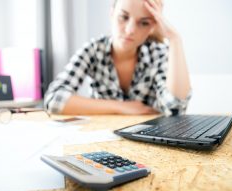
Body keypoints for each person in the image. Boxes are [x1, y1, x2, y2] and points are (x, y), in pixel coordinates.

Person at [44, 0, 191, 116]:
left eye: (144, 22)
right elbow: (54, 99)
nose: (130, 30)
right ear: (112, 13)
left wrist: (174, 39)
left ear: (153, 26)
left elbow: (176, 109)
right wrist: (122, 107)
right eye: (123, 17)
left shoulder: (158, 53)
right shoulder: (94, 50)